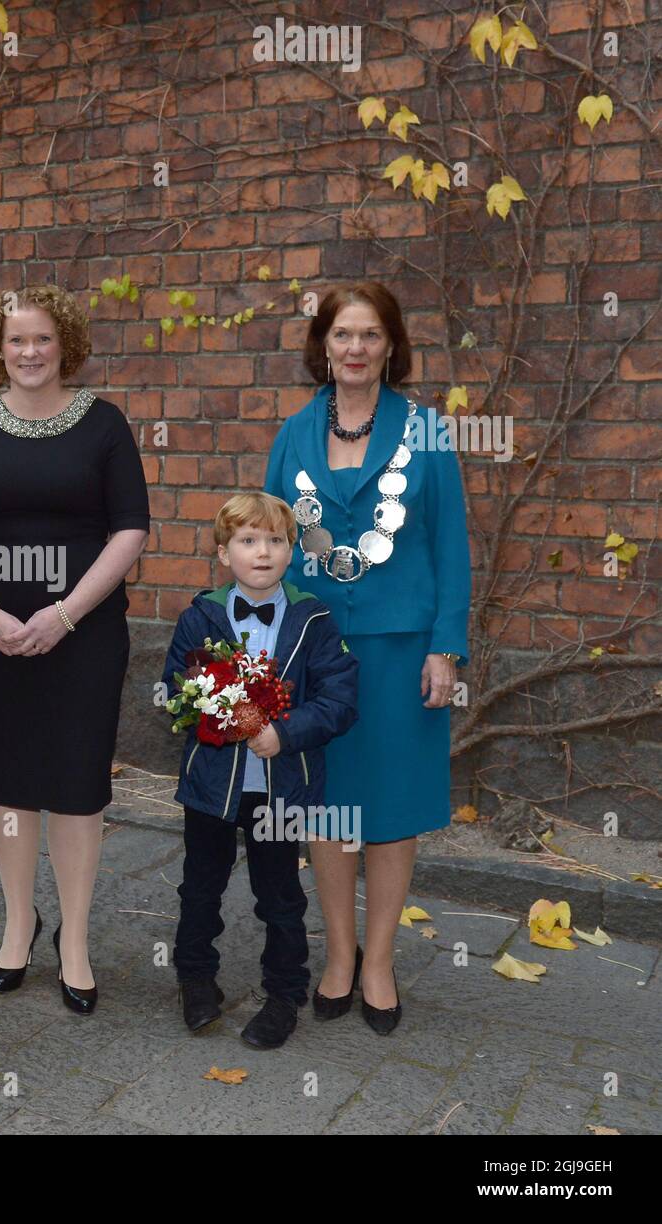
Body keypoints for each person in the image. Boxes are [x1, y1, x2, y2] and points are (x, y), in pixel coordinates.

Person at [0, 284, 149, 1013]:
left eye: (43, 340)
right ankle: (20, 921)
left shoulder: (105, 425)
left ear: (67, 348)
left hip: (84, 632)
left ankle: (77, 938)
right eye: (16, 340)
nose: (29, 353)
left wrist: (65, 614)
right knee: (8, 779)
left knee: (78, 782)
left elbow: (129, 530)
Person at [264, 281, 470, 1034]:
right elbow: (272, 543)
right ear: (323, 345)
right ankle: (340, 955)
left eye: (371, 336)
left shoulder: (429, 432)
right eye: (342, 335)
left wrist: (448, 648)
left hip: (400, 651)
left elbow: (451, 546)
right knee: (328, 805)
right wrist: (268, 644)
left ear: (392, 346)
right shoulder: (292, 434)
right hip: (315, 652)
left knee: (389, 808)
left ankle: (380, 961)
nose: (355, 349)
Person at [160, 493, 359, 1047]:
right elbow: (178, 691)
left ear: (292, 550)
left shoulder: (314, 620)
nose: (263, 552)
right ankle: (196, 978)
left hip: (283, 788)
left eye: (275, 540)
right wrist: (222, 713)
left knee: (280, 896)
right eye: (249, 541)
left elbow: (340, 700)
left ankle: (284, 993)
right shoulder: (201, 615)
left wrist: (284, 732)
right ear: (225, 553)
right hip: (211, 788)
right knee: (200, 887)